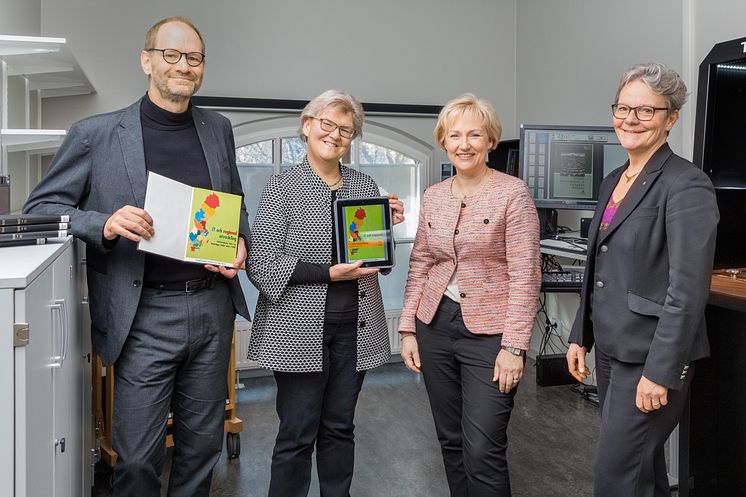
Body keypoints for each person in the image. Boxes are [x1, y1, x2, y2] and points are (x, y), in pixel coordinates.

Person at [23, 17, 251, 497]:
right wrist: (102, 223)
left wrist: (240, 243)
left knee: (202, 447)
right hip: (143, 312)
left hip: (212, 308)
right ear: (146, 60)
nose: (183, 65)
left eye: (194, 57)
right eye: (171, 54)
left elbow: (234, 200)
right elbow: (41, 207)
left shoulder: (218, 128)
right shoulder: (96, 133)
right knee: (138, 458)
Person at [565, 62, 719, 497]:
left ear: (671, 118)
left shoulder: (687, 185)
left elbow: (687, 291)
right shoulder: (615, 180)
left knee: (616, 478)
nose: (629, 119)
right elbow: (598, 267)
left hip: (652, 357)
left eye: (645, 111)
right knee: (640, 473)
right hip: (614, 349)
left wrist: (661, 371)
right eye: (623, 108)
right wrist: (580, 335)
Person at [247, 89, 405, 497]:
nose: (335, 135)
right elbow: (263, 266)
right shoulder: (282, 187)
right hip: (298, 334)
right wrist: (327, 274)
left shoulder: (364, 184)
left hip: (356, 330)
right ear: (307, 125)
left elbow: (377, 260)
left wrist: (386, 229)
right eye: (327, 124)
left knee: (339, 429)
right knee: (296, 433)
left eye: (346, 130)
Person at [399, 94, 541, 497]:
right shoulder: (433, 195)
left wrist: (514, 347)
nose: (465, 144)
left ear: (491, 140)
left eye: (475, 134)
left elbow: (526, 274)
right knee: (451, 441)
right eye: (455, 135)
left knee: (483, 448)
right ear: (444, 141)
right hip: (435, 326)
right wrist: (408, 327)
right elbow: (421, 263)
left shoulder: (513, 194)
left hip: (492, 335)